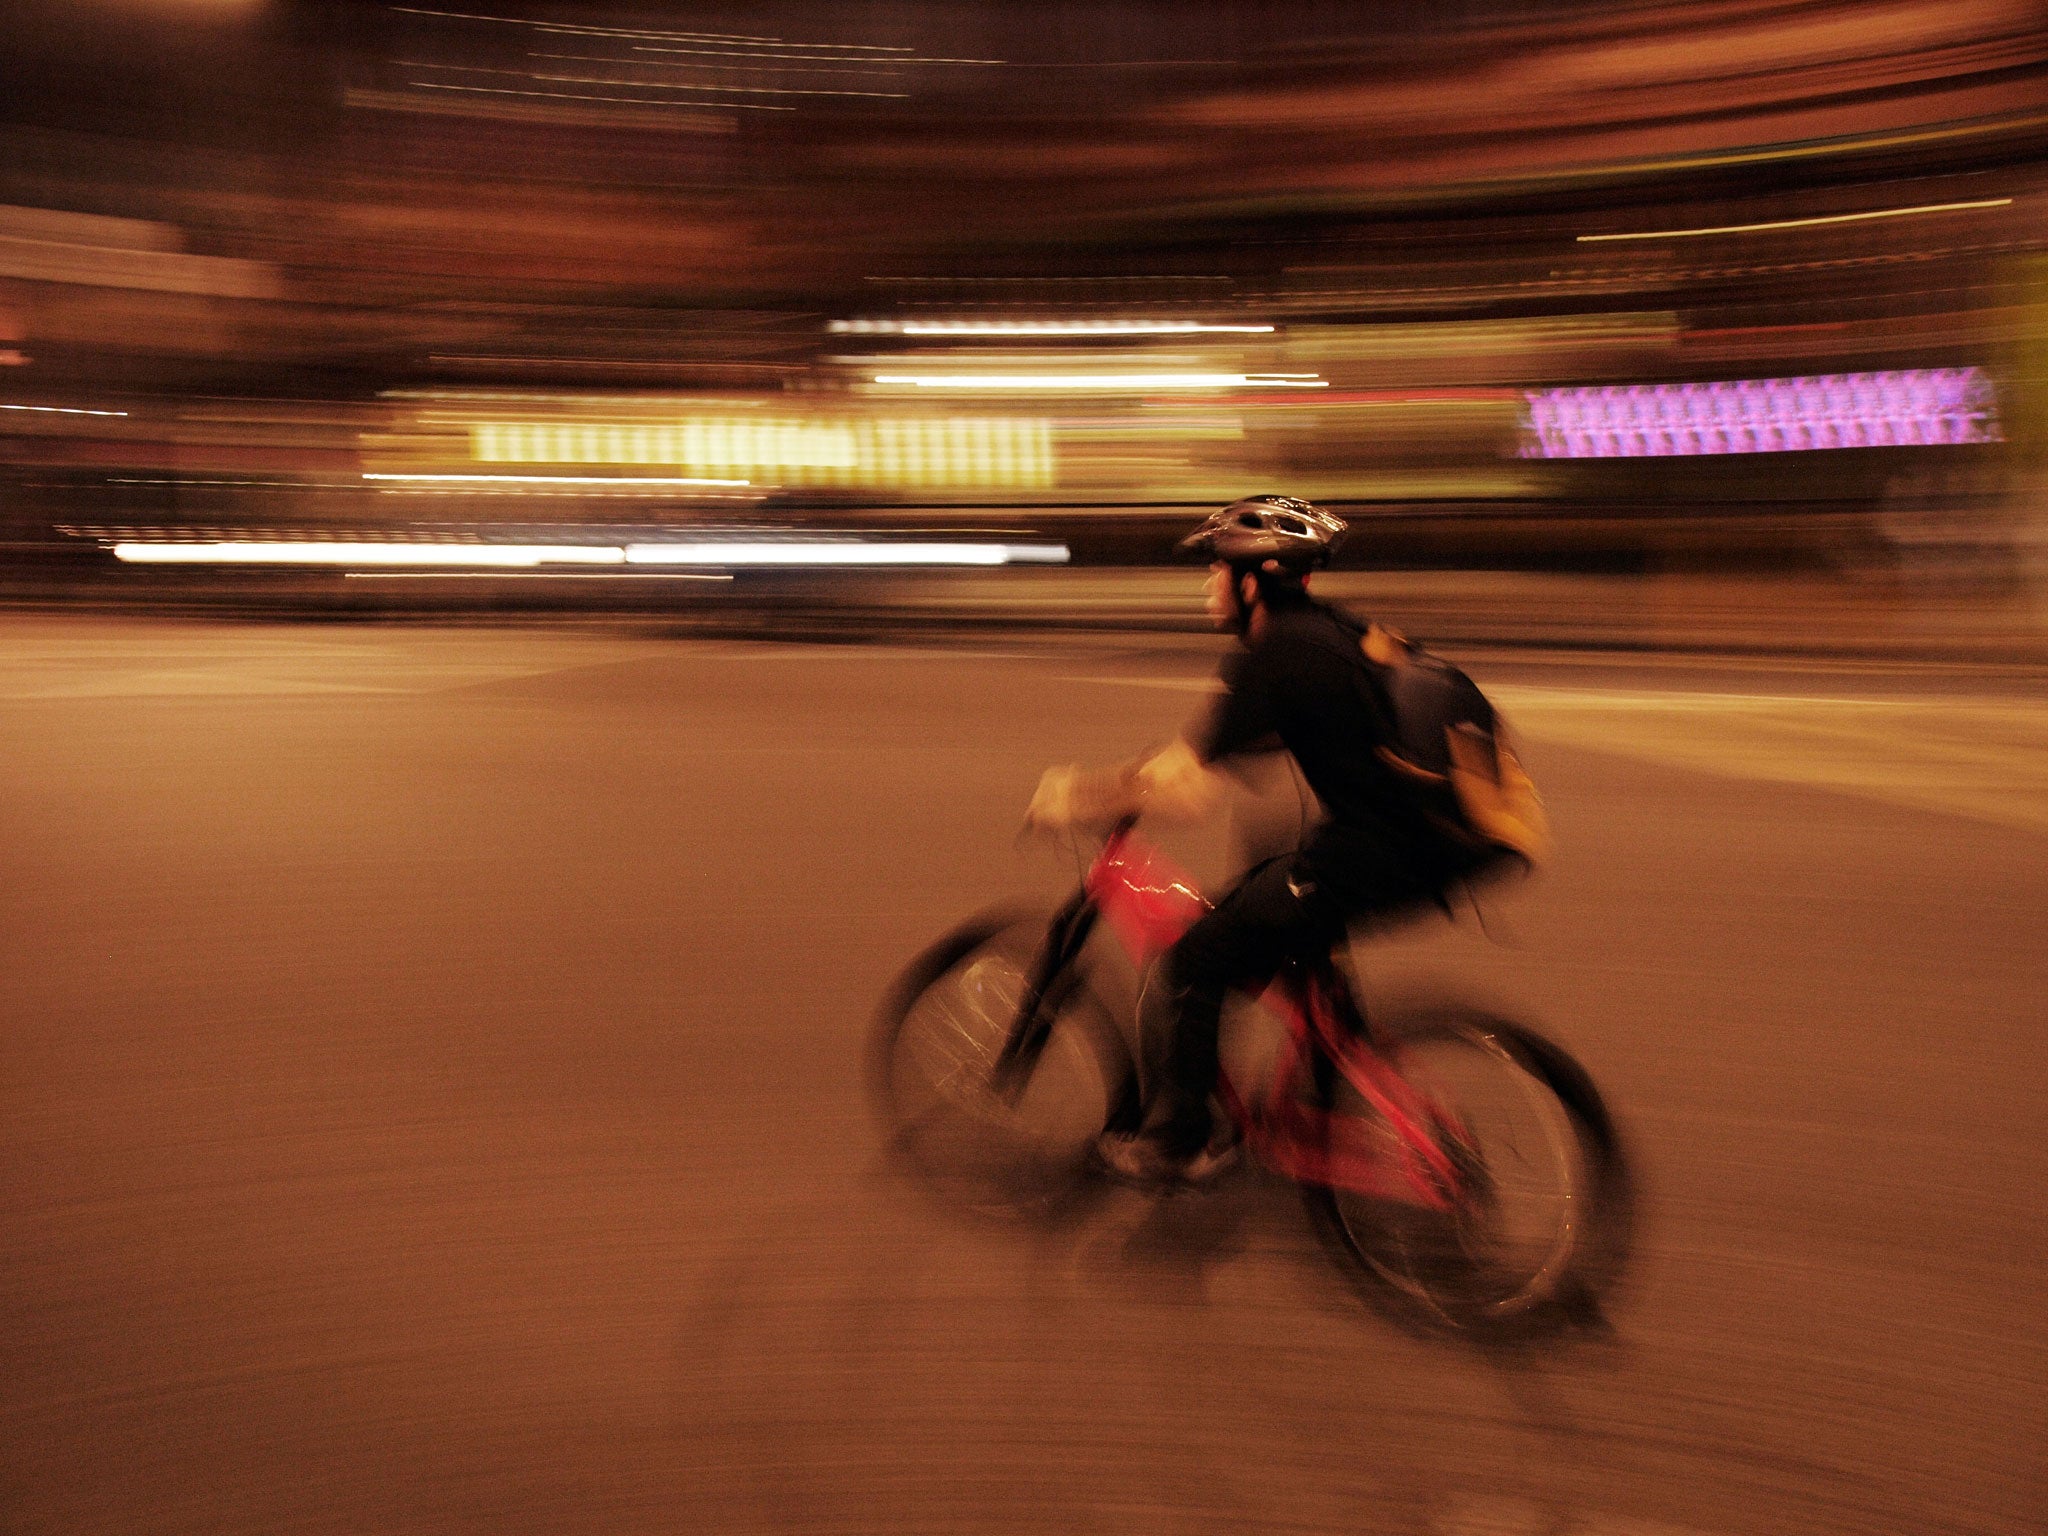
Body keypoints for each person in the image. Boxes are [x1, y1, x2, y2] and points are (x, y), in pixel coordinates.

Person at [1026, 495, 1499, 1186]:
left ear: (1255, 579)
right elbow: (1231, 754)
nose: (1208, 583)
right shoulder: (1327, 634)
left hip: (1385, 851)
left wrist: (1075, 796)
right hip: (1432, 840)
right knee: (1270, 871)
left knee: (1196, 956)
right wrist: (1150, 773)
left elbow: (1184, 789)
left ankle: (1183, 1138)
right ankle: (1318, 1062)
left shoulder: (1274, 653)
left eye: (1217, 568)